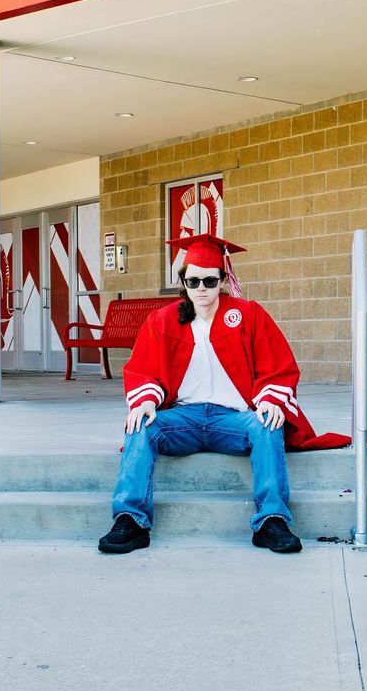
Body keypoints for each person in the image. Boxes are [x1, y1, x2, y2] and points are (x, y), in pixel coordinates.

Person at [98, 233, 347, 555]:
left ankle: (272, 520)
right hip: (183, 419)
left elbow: (278, 366)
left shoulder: (249, 314)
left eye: (210, 280)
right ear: (183, 282)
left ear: (222, 280)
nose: (201, 288)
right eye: (193, 281)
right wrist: (145, 400)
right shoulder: (163, 320)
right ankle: (131, 520)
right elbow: (143, 369)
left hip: (234, 419)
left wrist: (271, 400)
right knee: (140, 424)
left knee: (269, 424)